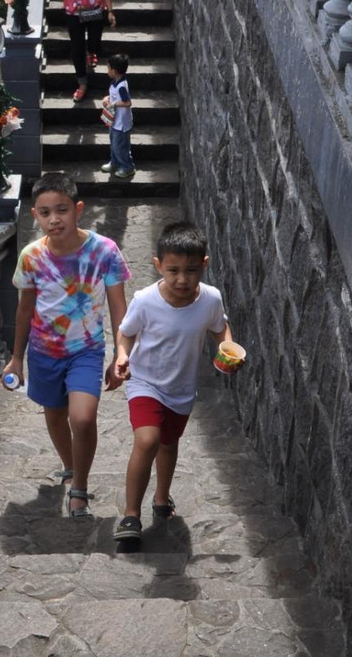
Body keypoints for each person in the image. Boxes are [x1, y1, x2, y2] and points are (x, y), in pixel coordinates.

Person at [2, 172, 130, 517]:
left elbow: (119, 306)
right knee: (56, 417)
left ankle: (80, 487)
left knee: (83, 418)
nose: (54, 219)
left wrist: (121, 350)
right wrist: (16, 358)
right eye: (45, 212)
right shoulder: (30, 256)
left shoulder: (105, 251)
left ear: (78, 209)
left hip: (86, 351)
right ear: (35, 215)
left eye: (62, 210)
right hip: (43, 353)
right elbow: (25, 308)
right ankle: (71, 466)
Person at [112, 222, 236, 542]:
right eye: (173, 270)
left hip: (181, 388)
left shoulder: (210, 299)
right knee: (148, 440)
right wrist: (122, 356)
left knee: (168, 444)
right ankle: (130, 515)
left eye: (192, 270)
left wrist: (228, 350)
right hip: (145, 383)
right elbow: (126, 333)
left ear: (205, 264)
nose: (182, 279)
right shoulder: (144, 300)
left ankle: (161, 497)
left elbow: (220, 328)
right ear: (158, 266)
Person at [101, 53, 135, 179]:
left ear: (114, 71)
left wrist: (112, 104)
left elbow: (127, 102)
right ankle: (115, 162)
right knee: (114, 143)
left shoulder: (122, 86)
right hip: (114, 121)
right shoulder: (115, 82)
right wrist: (107, 98)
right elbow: (114, 96)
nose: (107, 71)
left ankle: (127, 167)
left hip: (121, 124)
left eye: (108, 68)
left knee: (120, 145)